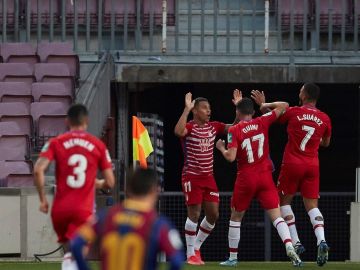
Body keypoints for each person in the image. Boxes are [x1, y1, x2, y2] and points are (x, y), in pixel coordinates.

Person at [216, 97, 302, 267]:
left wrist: (221, 148)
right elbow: (285, 105)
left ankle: (233, 258)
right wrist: (265, 105)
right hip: (265, 176)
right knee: (277, 217)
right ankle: (289, 245)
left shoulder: (234, 129)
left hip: (246, 177)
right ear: (253, 112)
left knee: (236, 217)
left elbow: (231, 158)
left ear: (237, 112)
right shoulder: (262, 121)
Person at [34, 104, 115, 270]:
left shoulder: (55, 142)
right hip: (83, 210)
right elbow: (110, 182)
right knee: (78, 252)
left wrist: (43, 200)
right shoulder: (97, 145)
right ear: (86, 121)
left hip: (60, 209)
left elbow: (38, 170)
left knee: (70, 253)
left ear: (67, 121)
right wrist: (96, 183)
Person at [259, 84, 332, 266]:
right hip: (312, 165)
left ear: (305, 94)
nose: (299, 92)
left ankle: (296, 241)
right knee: (312, 206)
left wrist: (264, 104)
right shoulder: (325, 118)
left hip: (292, 163)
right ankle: (321, 240)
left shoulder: (294, 112)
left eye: (300, 90)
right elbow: (326, 143)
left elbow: (276, 114)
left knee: (284, 203)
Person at [174, 90, 241, 265]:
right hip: (191, 176)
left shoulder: (214, 126)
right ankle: (190, 254)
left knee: (213, 214)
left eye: (209, 108)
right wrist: (186, 109)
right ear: (196, 111)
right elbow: (178, 131)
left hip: (208, 178)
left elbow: (234, 127)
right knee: (194, 214)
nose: (208, 111)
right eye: (204, 108)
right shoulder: (190, 127)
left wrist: (238, 109)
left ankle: (196, 247)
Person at [71, 168, 184, 270]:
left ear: (128, 190)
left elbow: (76, 244)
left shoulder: (105, 216)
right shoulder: (158, 223)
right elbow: (176, 260)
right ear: (154, 190)